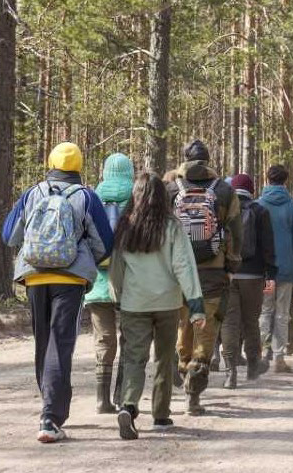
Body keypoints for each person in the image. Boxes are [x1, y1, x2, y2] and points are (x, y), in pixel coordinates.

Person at [2, 142, 113, 443]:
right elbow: (105, 244)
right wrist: (82, 252)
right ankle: (50, 417)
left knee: (43, 342)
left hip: (35, 277)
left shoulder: (32, 193)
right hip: (71, 280)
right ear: (79, 166)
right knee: (60, 342)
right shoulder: (86, 196)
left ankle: (48, 408)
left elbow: (9, 234)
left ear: (50, 162)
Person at [109, 173, 205, 440]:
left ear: (135, 195)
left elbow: (117, 269)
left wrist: (117, 298)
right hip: (167, 304)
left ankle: (128, 405)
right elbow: (184, 266)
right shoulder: (172, 226)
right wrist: (196, 306)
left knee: (133, 358)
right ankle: (161, 415)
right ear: (163, 197)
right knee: (164, 359)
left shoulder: (125, 226)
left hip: (133, 303)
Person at [168, 139, 243, 416]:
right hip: (213, 270)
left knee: (182, 327)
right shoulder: (224, 190)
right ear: (209, 161)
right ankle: (194, 395)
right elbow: (236, 231)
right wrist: (232, 265)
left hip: (178, 272)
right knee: (206, 331)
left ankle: (182, 366)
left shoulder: (170, 189)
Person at [83, 152, 134, 414]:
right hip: (128, 281)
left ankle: (102, 399)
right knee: (129, 338)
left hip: (97, 283)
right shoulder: (137, 198)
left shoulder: (91, 197)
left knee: (103, 340)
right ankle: (122, 395)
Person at [221, 173, 277, 387]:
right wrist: (271, 274)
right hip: (253, 275)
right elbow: (268, 247)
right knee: (251, 321)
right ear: (251, 190)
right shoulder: (260, 211)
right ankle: (253, 365)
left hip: (229, 274)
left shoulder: (224, 208)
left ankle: (230, 371)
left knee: (229, 322)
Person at [259, 164, 293, 372]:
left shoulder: (258, 205)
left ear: (267, 179)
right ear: (285, 181)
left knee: (265, 311)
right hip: (287, 270)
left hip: (264, 271)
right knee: (281, 314)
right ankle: (279, 357)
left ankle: (262, 352)